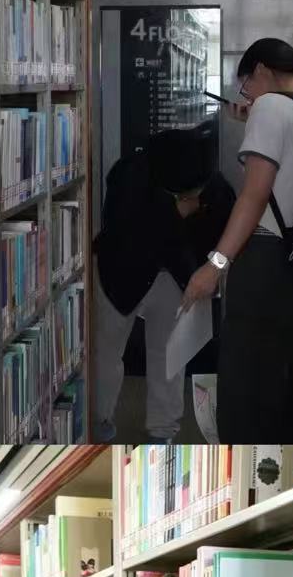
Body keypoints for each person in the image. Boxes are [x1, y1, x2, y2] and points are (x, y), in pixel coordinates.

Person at [179, 38, 293, 441]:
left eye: (246, 82)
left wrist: (215, 265)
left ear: (263, 70)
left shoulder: (271, 108)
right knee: (291, 380)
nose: (245, 94)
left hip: (264, 261)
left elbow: (254, 196)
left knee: (248, 385)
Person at [91, 126, 236, 442]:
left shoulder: (211, 184)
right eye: (185, 194)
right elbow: (124, 234)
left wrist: (210, 272)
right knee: (106, 353)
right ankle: (99, 421)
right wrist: (177, 213)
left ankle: (163, 429)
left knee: (170, 355)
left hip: (175, 273)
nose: (193, 197)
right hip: (119, 273)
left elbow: (224, 233)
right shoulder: (128, 176)